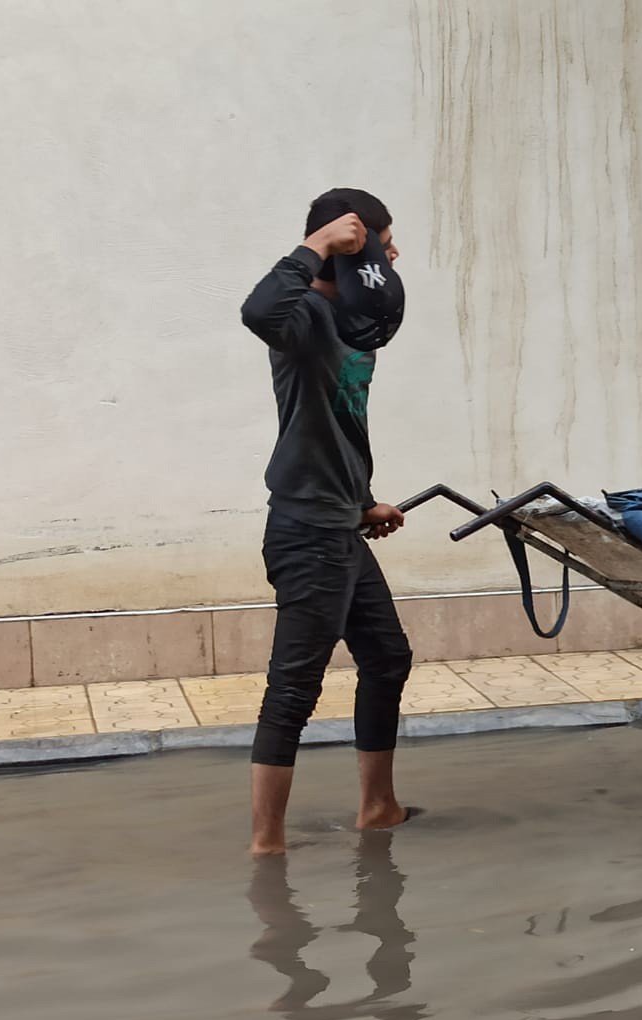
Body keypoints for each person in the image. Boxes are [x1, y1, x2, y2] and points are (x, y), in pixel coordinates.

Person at [240, 187, 415, 854]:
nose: (393, 253)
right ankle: (268, 847)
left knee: (387, 656)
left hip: (339, 520)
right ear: (352, 243)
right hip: (307, 532)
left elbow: (332, 427)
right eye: (383, 240)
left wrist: (363, 499)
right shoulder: (306, 315)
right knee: (293, 687)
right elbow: (259, 309)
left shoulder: (348, 324)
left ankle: (378, 806)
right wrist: (315, 246)